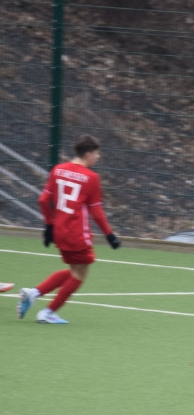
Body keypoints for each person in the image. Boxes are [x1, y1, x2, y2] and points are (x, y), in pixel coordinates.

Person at [18, 135, 121, 324]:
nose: (98, 157)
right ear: (88, 154)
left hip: (59, 231)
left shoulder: (58, 169)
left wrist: (49, 225)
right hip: (76, 234)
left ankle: (33, 293)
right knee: (80, 274)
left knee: (74, 270)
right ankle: (47, 312)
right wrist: (109, 234)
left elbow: (43, 200)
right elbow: (96, 211)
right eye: (97, 153)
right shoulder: (91, 178)